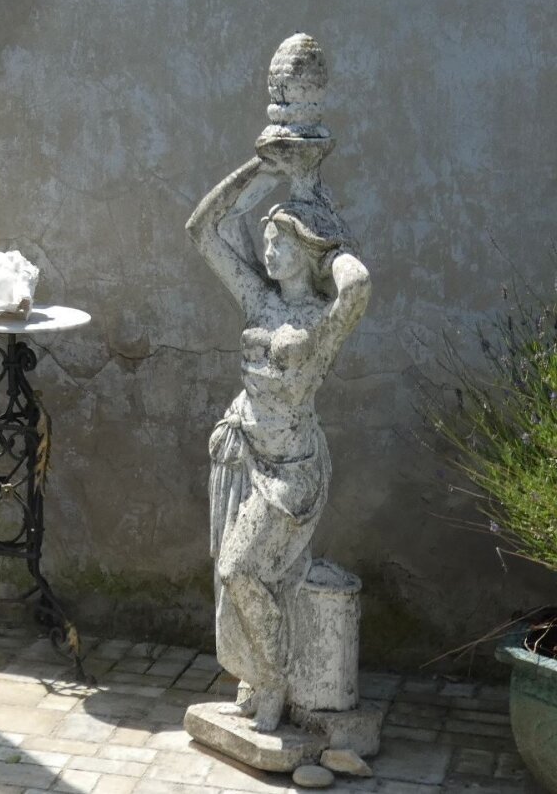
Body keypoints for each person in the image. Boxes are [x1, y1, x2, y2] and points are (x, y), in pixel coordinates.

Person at [184, 133, 371, 732]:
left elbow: (357, 283)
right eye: (265, 237)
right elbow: (202, 231)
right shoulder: (258, 301)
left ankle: (273, 679)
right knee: (238, 576)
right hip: (242, 451)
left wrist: (320, 219)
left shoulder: (320, 322)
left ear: (307, 249)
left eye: (281, 239)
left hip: (291, 471)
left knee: (242, 570)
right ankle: (254, 677)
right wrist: (261, 169)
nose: (267, 248)